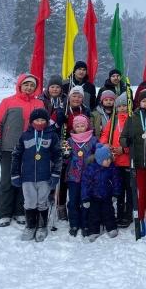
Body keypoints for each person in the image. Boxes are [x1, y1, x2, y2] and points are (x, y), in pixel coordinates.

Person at [0, 73, 45, 227]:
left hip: (30, 149)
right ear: (20, 85)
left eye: (32, 85)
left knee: (25, 181)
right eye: (26, 84)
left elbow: (42, 125)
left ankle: (20, 211)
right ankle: (4, 213)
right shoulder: (7, 102)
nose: (29, 87)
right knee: (7, 181)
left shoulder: (38, 104)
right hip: (9, 148)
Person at [10, 108, 62, 241]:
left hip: (45, 176)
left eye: (43, 120)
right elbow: (16, 155)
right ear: (31, 121)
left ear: (47, 121)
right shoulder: (25, 136)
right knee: (29, 201)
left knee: (42, 202)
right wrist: (15, 174)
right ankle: (30, 226)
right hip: (27, 177)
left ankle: (42, 226)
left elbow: (57, 156)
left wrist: (56, 173)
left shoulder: (52, 136)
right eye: (37, 120)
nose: (39, 122)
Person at [120, 89, 146, 237]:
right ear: (139, 102)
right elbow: (122, 137)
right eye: (144, 101)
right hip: (136, 163)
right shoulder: (133, 118)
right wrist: (126, 141)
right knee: (140, 194)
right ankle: (141, 220)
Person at [54, 85, 91, 221]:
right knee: (64, 176)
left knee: (79, 177)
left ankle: (80, 203)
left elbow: (89, 127)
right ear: (69, 97)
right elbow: (54, 128)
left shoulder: (85, 110)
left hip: (81, 146)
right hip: (65, 142)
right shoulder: (62, 109)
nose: (76, 98)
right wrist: (59, 120)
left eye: (79, 96)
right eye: (74, 96)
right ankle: (61, 205)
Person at [99, 93, 132, 228]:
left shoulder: (132, 120)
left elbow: (135, 141)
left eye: (124, 105)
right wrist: (104, 144)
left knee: (129, 190)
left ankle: (128, 215)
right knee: (118, 190)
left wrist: (124, 150)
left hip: (128, 161)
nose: (122, 108)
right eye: (119, 106)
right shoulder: (112, 121)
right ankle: (119, 214)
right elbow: (104, 135)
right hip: (115, 161)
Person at [66, 114, 98, 237]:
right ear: (74, 127)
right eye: (77, 126)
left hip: (88, 177)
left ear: (87, 126)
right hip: (73, 176)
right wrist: (65, 155)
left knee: (86, 200)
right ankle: (74, 223)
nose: (80, 128)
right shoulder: (69, 140)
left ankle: (86, 223)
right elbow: (65, 159)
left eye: (82, 126)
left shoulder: (93, 139)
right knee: (73, 201)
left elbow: (97, 155)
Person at [82, 144, 122, 242]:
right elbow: (85, 184)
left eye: (109, 159)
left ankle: (111, 228)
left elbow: (116, 180)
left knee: (109, 212)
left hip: (107, 196)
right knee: (94, 214)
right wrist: (85, 198)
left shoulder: (112, 168)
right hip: (94, 196)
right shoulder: (91, 168)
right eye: (106, 159)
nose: (109, 161)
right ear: (99, 160)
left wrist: (115, 193)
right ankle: (94, 231)